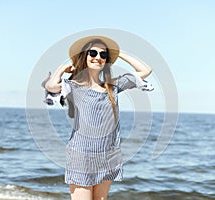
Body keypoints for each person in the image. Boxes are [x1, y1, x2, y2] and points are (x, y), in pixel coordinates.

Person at [44, 35, 153, 200]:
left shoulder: (113, 87)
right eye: (93, 53)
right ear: (85, 56)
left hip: (108, 155)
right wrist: (64, 68)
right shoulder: (73, 87)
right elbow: (51, 86)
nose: (98, 58)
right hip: (81, 156)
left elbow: (145, 71)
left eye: (103, 55)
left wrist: (118, 52)